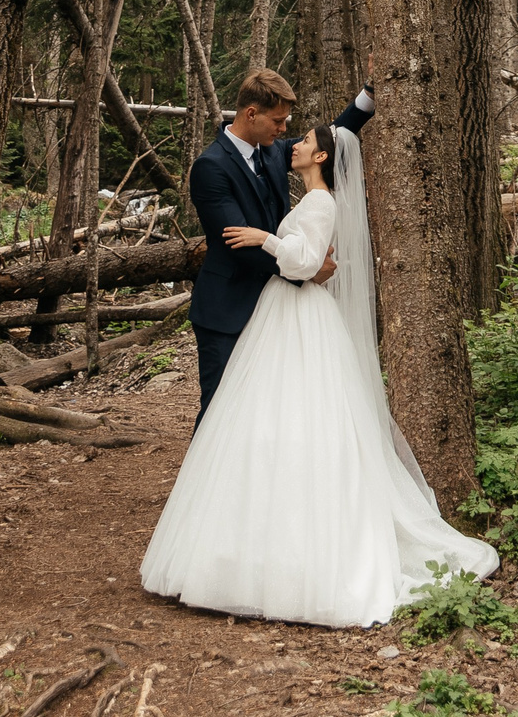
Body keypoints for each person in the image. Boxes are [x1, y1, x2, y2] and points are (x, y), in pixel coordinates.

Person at [141, 121, 499, 628]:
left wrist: (266, 238)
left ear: (323, 158)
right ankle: (249, 549)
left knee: (293, 424)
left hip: (299, 315)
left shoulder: (321, 202)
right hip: (285, 314)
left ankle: (291, 558)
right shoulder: (310, 197)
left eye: (305, 141)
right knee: (266, 424)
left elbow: (305, 263)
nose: (295, 146)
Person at [186, 69, 371, 422]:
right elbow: (238, 241)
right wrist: (305, 268)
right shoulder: (210, 167)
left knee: (269, 410)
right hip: (228, 309)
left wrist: (370, 92)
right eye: (279, 120)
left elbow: (329, 140)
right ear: (250, 114)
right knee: (220, 413)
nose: (285, 129)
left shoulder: (271, 151)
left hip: (277, 310)